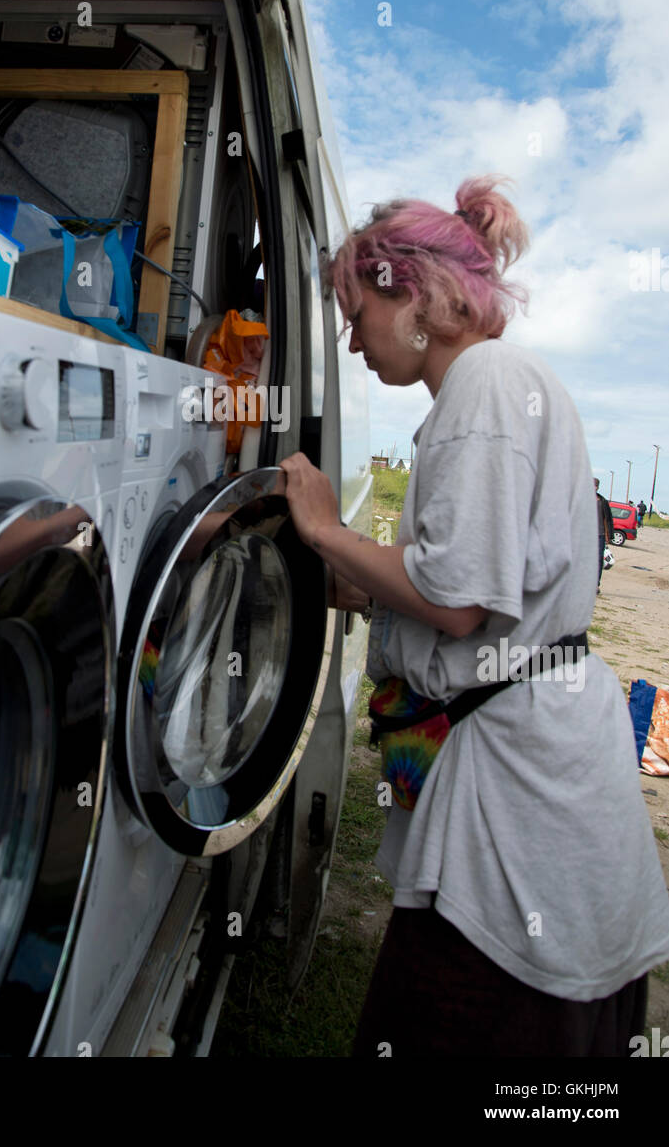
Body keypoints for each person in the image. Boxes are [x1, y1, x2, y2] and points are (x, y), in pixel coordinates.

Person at [280, 175, 669, 1058]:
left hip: (515, 791)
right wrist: (366, 581)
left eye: (354, 313)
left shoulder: (484, 387)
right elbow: (483, 585)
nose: (350, 340)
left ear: (408, 292)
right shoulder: (501, 384)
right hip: (534, 753)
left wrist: (323, 529)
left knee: (478, 1025)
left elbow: (456, 601)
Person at [594, 479, 613, 593]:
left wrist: (608, 535)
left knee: (598, 560)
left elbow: (607, 519)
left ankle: (596, 584)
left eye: (596, 486)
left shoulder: (602, 501)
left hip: (599, 534)